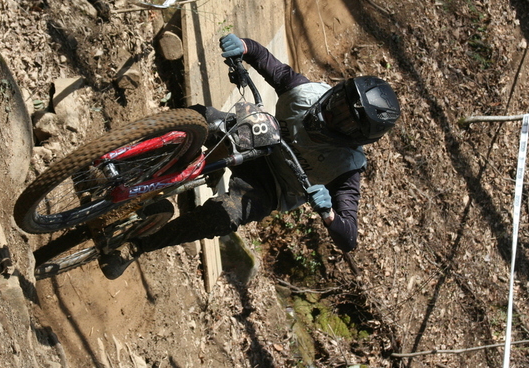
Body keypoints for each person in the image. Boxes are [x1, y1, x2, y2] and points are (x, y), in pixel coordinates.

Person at [99, 33, 401, 279]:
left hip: (270, 187)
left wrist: (330, 213)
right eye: (339, 102)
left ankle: (137, 246)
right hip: (255, 137)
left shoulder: (346, 168)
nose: (333, 112)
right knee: (198, 119)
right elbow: (269, 63)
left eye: (345, 119)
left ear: (357, 137)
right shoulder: (306, 93)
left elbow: (349, 237)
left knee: (222, 217)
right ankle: (119, 164)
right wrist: (242, 47)